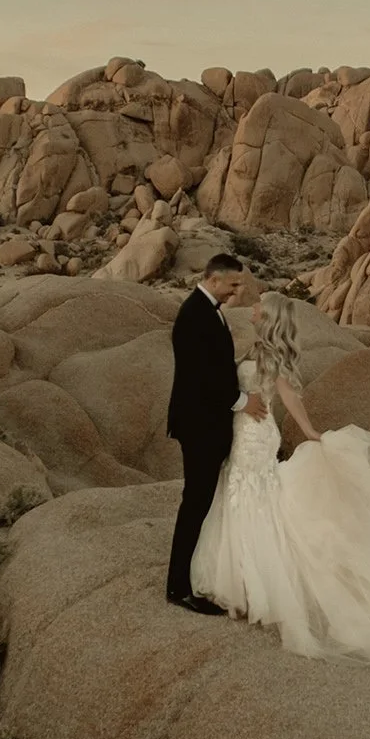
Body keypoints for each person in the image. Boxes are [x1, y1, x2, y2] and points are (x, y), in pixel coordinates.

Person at [191, 293, 370, 667]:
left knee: (247, 498)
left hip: (255, 436)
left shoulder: (271, 355)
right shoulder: (256, 350)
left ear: (270, 317)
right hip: (242, 431)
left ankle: (256, 586)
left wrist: (311, 432)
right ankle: (245, 582)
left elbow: (289, 397)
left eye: (259, 307)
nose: (252, 308)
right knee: (238, 497)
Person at [164, 252, 265, 612]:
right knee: (195, 503)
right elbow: (200, 376)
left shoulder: (208, 310)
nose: (237, 291)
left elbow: (216, 366)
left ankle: (185, 579)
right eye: (234, 284)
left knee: (200, 502)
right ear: (215, 279)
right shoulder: (195, 315)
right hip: (199, 424)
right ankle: (179, 589)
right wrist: (242, 401)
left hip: (206, 422)